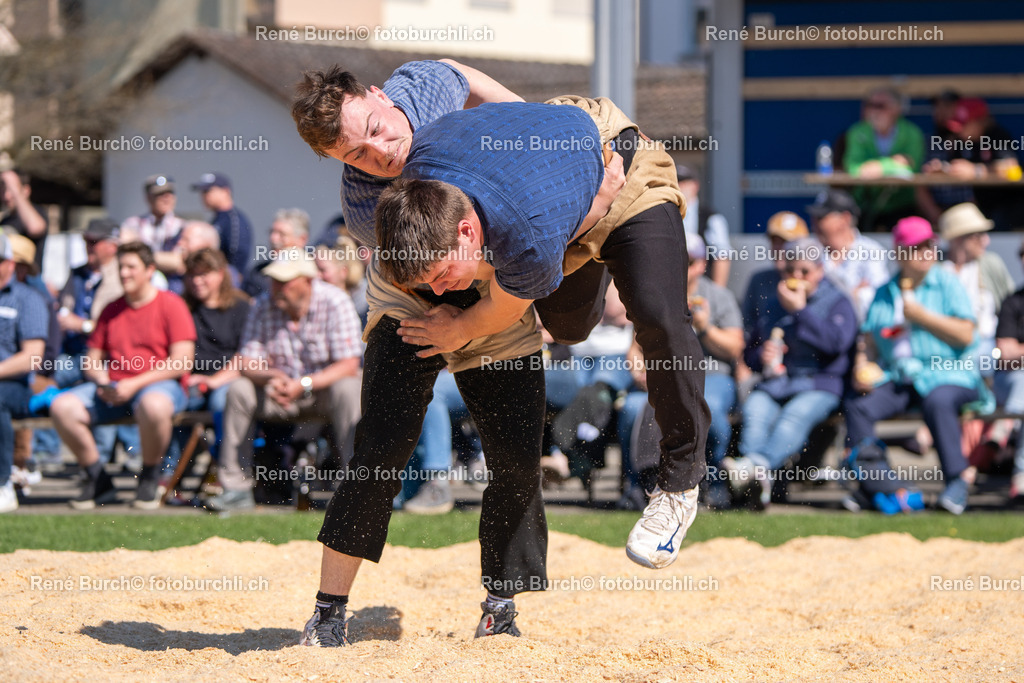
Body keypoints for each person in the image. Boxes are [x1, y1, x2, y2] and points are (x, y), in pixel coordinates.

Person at [373, 99, 709, 568]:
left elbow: (501, 309)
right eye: (427, 282)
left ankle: (679, 482)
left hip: (623, 176)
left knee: (658, 317)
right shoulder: (415, 184)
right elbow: (458, 71)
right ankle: (591, 244)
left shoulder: (527, 233)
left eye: (444, 271)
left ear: (468, 232)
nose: (439, 288)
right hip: (566, 205)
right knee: (567, 328)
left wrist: (459, 329)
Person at [291, 59, 560, 645]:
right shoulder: (367, 207)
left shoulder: (423, 88)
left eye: (378, 129)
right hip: (412, 287)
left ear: (380, 95)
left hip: (494, 281)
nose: (380, 152)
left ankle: (501, 606)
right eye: (357, 154)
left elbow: (458, 71)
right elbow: (424, 279)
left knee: (516, 457)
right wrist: (444, 321)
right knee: (382, 448)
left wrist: (526, 116)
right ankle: (330, 610)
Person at [846, 217, 991, 515]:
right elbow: (870, 341)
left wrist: (923, 317)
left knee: (938, 399)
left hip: (951, 374)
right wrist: (861, 366)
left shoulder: (947, 282)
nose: (926, 252)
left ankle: (956, 481)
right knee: (858, 406)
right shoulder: (885, 292)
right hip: (902, 376)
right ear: (899, 252)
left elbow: (967, 334)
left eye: (929, 245)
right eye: (916, 247)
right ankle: (877, 485)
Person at [207, 250, 362, 512]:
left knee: (350, 388)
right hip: (277, 393)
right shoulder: (262, 304)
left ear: (308, 281)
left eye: (285, 282)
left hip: (322, 393)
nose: (276, 288)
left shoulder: (335, 302)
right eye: (274, 280)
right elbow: (247, 361)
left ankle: (356, 488)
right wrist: (272, 377)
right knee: (239, 390)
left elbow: (349, 364)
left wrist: (303, 384)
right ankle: (236, 488)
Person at [50, 242, 196, 510]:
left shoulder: (172, 305)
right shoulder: (111, 309)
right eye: (121, 267)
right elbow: (91, 361)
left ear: (150, 270)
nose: (124, 273)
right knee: (61, 406)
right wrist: (103, 382)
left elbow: (182, 362)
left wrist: (135, 383)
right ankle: (98, 478)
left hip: (158, 385)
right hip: (113, 385)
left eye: (131, 267)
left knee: (153, 405)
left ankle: (150, 475)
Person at [724, 237, 858, 507]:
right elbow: (750, 352)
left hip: (821, 383)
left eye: (805, 272)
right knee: (755, 410)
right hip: (778, 383)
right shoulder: (774, 302)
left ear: (820, 270)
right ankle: (758, 482)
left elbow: (837, 344)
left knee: (792, 417)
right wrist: (761, 355)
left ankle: (753, 468)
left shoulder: (838, 301)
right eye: (790, 271)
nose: (797, 277)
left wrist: (801, 311)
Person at [180, 248, 250, 461]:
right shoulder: (182, 308)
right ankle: (172, 473)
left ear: (220, 274)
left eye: (203, 274)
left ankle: (225, 466)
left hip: (229, 379)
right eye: (192, 274)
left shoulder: (242, 307)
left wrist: (213, 381)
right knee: (166, 402)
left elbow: (247, 353)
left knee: (223, 402)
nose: (197, 281)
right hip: (191, 380)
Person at [0, 233, 48, 512]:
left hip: (14, 384)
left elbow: (33, 357)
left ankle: (3, 482)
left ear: (9, 264)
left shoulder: (27, 299)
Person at [938, 202, 1014, 365]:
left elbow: (1010, 305)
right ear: (958, 238)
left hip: (989, 345)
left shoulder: (990, 263)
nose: (985, 241)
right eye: (978, 235)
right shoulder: (938, 269)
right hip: (945, 347)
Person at [842, 88, 924, 229]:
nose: (874, 111)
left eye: (880, 106)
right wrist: (892, 164)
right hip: (865, 205)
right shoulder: (857, 132)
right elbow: (852, 167)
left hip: (902, 204)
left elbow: (912, 166)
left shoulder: (912, 133)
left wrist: (878, 167)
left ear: (896, 109)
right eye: (870, 105)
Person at [806, 189, 890, 319]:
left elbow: (878, 299)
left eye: (822, 217)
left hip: (862, 333)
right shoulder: (809, 252)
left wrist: (827, 298)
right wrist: (853, 294)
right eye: (815, 217)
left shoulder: (872, 251)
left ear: (845, 218)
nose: (815, 222)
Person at [993, 238, 1024, 504]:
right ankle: (1022, 476)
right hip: (1009, 378)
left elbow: (1015, 350)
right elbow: (1005, 354)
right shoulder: (1013, 302)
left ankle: (1005, 423)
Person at [120, 174, 186, 293]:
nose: (166, 198)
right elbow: (125, 255)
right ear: (148, 198)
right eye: (160, 194)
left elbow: (179, 262)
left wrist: (142, 255)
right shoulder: (132, 224)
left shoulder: (182, 226)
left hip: (172, 288)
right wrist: (164, 259)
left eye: (170, 193)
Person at [676, 165, 731, 287]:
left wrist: (717, 295)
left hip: (701, 287)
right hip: (670, 286)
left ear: (695, 185)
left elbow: (722, 257)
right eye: (675, 182)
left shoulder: (711, 217)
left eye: (683, 182)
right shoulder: (663, 215)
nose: (679, 186)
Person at [191, 172, 252, 274]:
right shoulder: (218, 218)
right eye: (202, 192)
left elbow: (238, 253)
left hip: (226, 279)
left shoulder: (233, 220)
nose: (204, 196)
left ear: (225, 191)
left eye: (208, 191)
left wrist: (231, 278)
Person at [243, 208, 310, 298]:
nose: (273, 238)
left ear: (302, 239)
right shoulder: (258, 273)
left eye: (282, 234)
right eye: (272, 232)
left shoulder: (315, 274)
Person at [0, 169, 47, 272]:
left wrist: (15, 188)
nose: (6, 196)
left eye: (11, 189)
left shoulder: (37, 212)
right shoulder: (5, 220)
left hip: (29, 280)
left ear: (26, 190)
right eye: (3, 190)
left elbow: (35, 228)